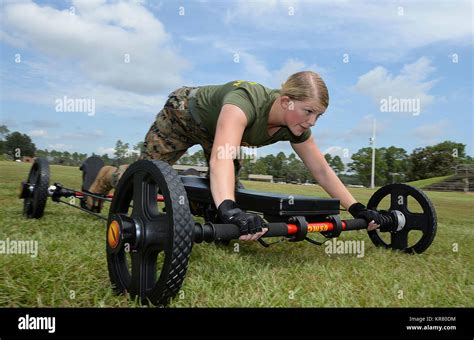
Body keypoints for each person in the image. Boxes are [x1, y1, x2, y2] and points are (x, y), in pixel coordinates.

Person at [87, 71, 383, 241]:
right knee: (146, 178)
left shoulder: (296, 127)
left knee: (228, 193)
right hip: (183, 114)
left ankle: (202, 204)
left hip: (219, 135)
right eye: (308, 112)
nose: (312, 122)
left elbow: (320, 169)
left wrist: (357, 207)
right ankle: (107, 176)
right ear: (285, 101)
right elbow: (222, 156)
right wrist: (229, 209)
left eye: (318, 115)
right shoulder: (245, 101)